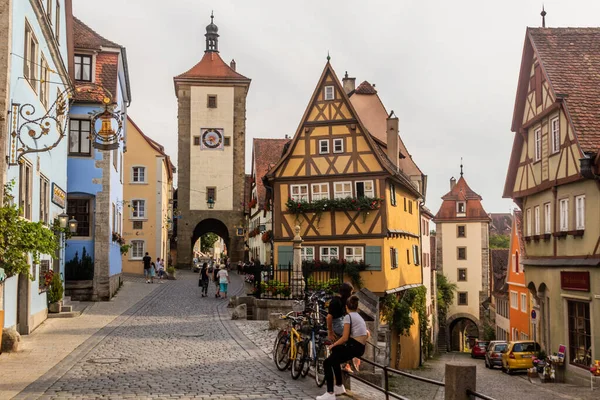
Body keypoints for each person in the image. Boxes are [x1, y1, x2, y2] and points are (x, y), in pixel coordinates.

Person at [318, 295, 369, 400]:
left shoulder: (348, 317)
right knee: (335, 353)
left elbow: (345, 338)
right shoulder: (359, 317)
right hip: (360, 347)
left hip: (353, 347)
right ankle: (339, 386)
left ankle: (330, 393)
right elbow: (367, 333)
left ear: (346, 307)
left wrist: (333, 345)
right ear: (357, 307)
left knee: (327, 362)